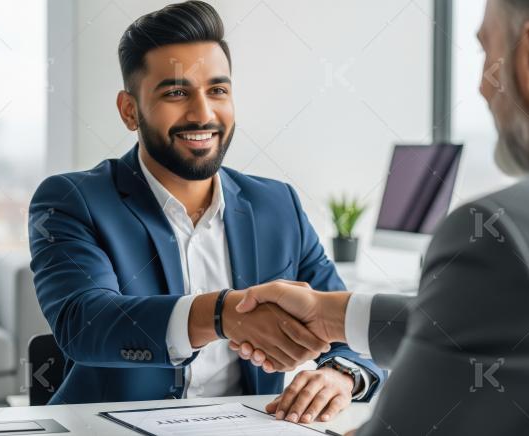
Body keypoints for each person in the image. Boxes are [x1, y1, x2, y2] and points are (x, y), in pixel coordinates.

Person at [230, 0, 529, 433]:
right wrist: (334, 313)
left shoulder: (508, 235)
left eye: (487, 52)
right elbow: (507, 321)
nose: (484, 88)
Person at [28, 0, 383, 415]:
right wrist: (221, 314)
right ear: (130, 111)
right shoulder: (73, 200)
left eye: (217, 90)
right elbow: (85, 323)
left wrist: (339, 375)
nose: (203, 113)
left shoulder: (276, 205)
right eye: (176, 93)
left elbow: (350, 324)